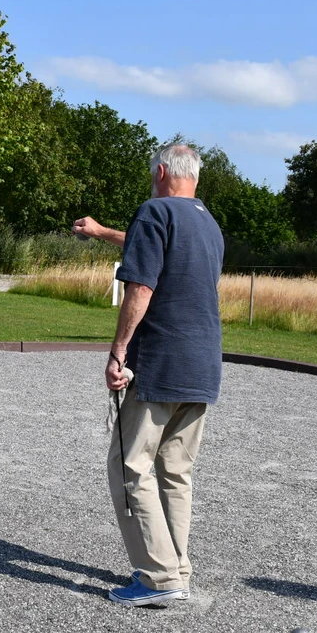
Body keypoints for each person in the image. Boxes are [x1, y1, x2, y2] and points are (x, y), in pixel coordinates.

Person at [72, 143, 223, 607]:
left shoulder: (154, 211)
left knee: (130, 467)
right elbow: (151, 245)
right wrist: (102, 233)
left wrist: (118, 352)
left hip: (160, 361)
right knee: (176, 473)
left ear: (160, 171)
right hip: (203, 366)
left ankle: (158, 579)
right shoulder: (207, 224)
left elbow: (141, 284)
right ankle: (177, 568)